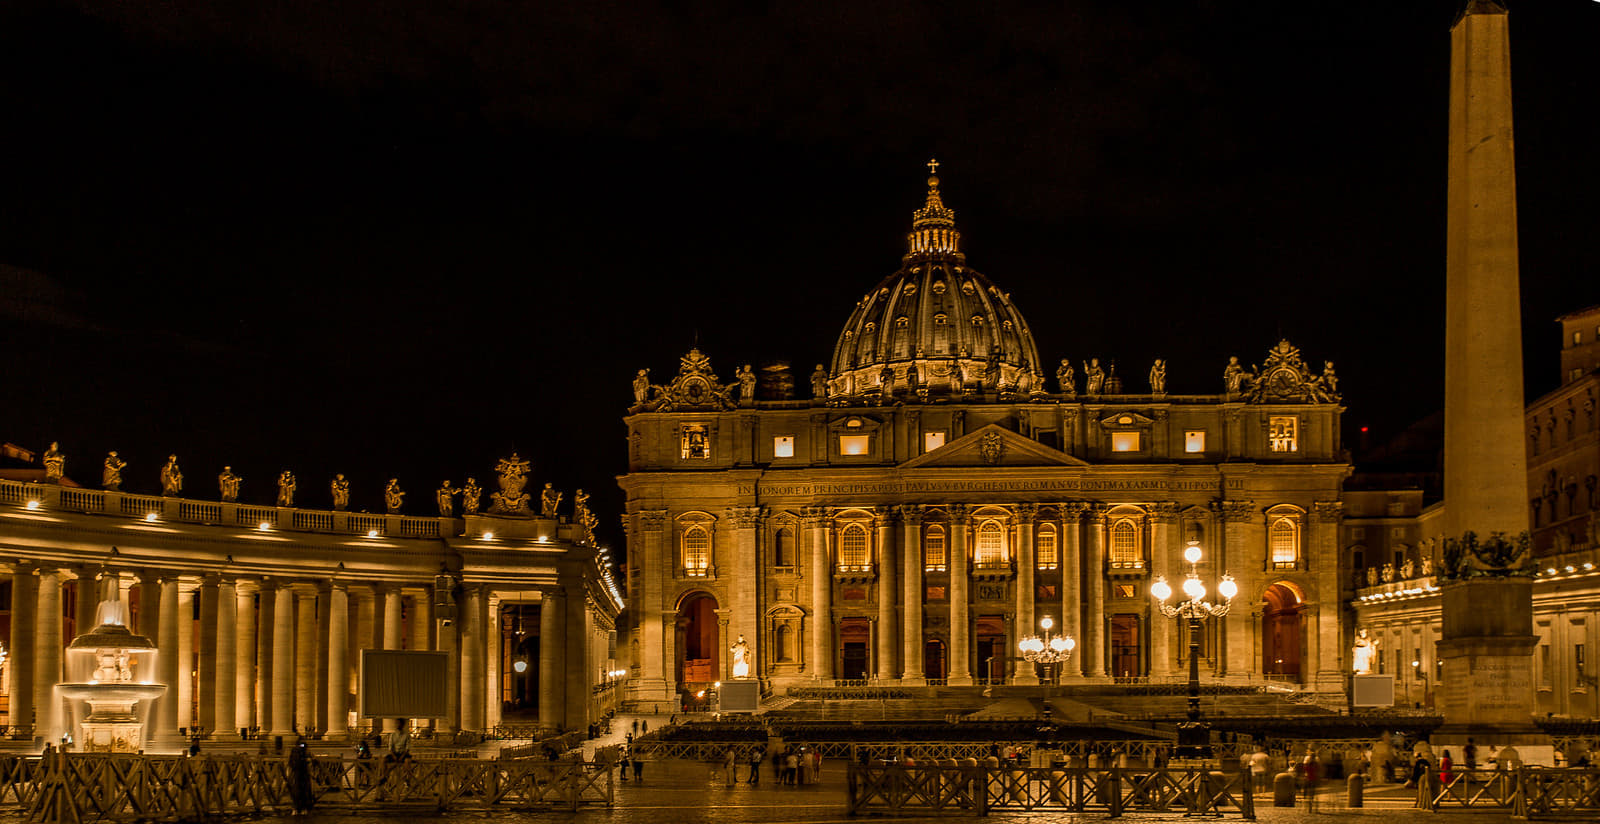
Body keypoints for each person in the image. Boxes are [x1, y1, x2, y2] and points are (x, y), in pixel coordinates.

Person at [289, 734, 314, 815]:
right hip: (303, 772)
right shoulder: (303, 749)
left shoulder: (294, 749)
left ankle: (296, 808)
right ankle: (304, 808)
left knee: (296, 791)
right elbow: (309, 757)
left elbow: (290, 762)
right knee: (304, 791)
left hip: (296, 773)